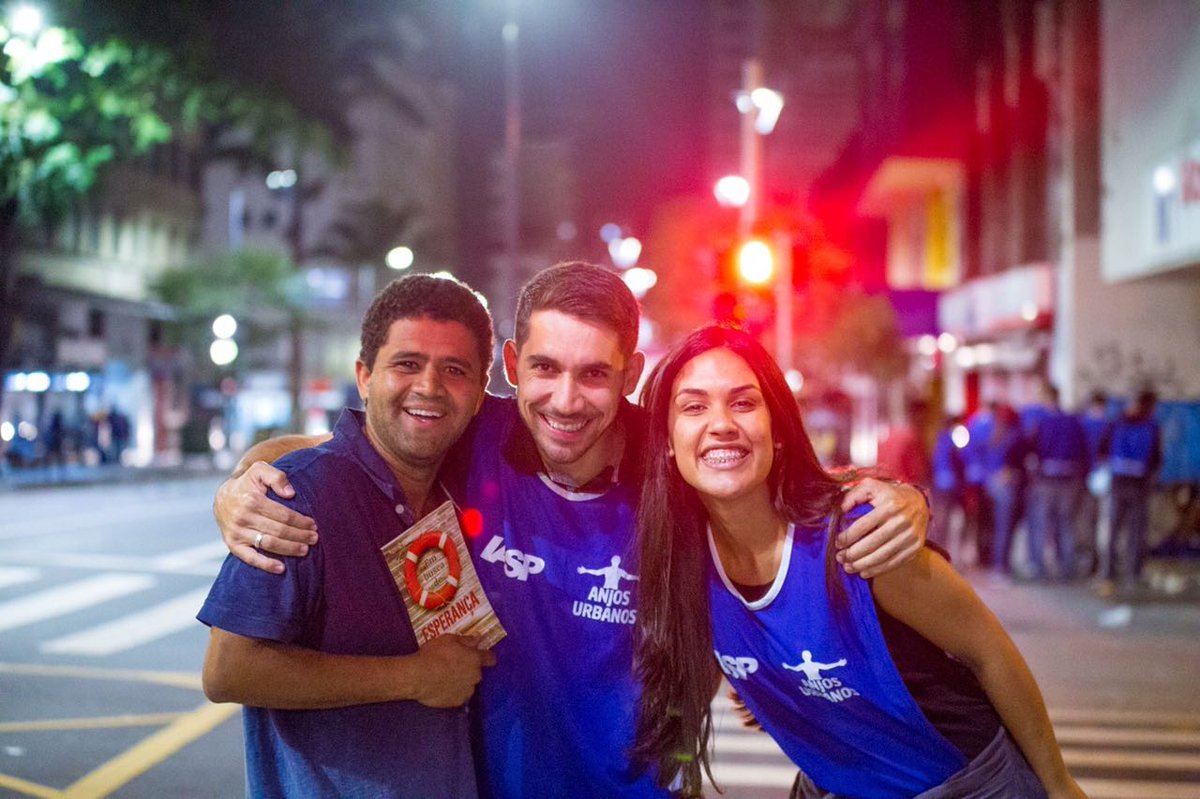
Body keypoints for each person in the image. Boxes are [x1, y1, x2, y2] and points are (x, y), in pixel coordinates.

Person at [213, 261, 933, 798]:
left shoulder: (673, 460)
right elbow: (348, 448)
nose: (565, 399)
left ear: (631, 372)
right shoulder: (477, 434)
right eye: (546, 368)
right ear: (511, 366)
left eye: (594, 374)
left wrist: (905, 498)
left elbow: (795, 490)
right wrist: (245, 479)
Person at [632, 326, 1084, 799]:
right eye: (693, 406)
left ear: (778, 432)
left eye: (744, 403)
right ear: (666, 439)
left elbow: (987, 651)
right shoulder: (679, 560)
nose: (722, 423)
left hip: (965, 785)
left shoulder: (859, 535)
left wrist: (1058, 784)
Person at [197, 275, 498, 797]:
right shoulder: (298, 495)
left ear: (479, 393)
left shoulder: (465, 483)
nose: (428, 386)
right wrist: (415, 677)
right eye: (406, 364)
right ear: (364, 376)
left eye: (454, 370)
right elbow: (229, 669)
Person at [1098, 388, 1162, 591]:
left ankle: (1108, 573)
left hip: (1118, 482)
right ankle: (1133, 574)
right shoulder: (1152, 426)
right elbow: (1156, 458)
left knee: (1114, 529)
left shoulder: (1117, 422)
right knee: (1136, 532)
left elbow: (1102, 449)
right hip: (1139, 485)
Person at [1028, 385, 1089, 581]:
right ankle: (1066, 568)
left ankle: (1039, 568)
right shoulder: (1073, 421)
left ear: (1047, 397)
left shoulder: (1042, 422)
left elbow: (1034, 449)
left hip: (1047, 478)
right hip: (1070, 478)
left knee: (1042, 523)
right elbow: (1083, 450)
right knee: (1066, 523)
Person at [983, 404, 1030, 577]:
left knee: (998, 527)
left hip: (993, 485)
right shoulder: (1014, 435)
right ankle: (1001, 566)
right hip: (1008, 486)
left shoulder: (994, 434)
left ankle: (998, 564)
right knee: (1005, 528)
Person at [929, 413, 966, 563]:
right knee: (947, 519)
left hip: (939, 483)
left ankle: (938, 552)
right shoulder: (953, 440)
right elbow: (959, 461)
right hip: (950, 484)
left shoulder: (938, 440)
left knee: (940, 519)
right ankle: (943, 553)